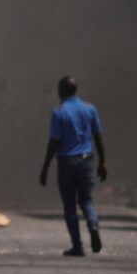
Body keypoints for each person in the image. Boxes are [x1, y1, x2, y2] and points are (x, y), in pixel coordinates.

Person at [39, 76, 107, 257]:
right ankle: (93, 225)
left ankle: (77, 246)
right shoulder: (90, 109)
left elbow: (54, 141)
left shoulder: (59, 112)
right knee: (86, 201)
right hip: (86, 161)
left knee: (70, 206)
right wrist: (103, 162)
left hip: (66, 163)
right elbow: (98, 137)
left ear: (61, 91)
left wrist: (45, 166)